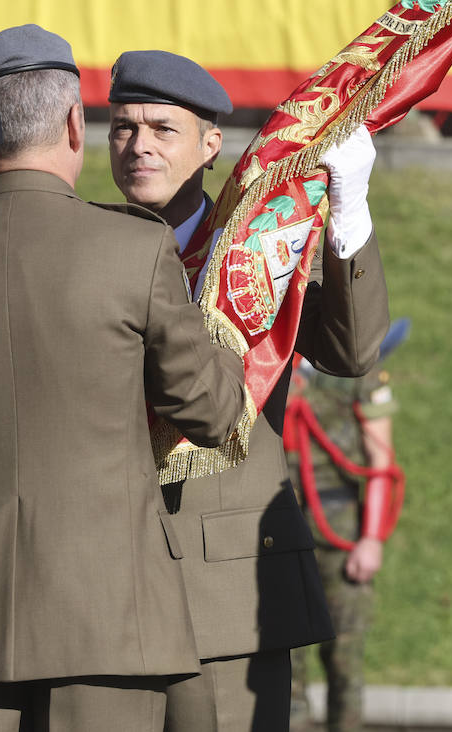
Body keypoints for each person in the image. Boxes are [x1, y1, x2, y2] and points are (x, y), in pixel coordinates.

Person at [0, 25, 249, 732]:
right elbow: (212, 412)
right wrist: (234, 330)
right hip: (117, 630)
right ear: (74, 125)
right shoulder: (136, 248)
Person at [106, 50, 391, 732]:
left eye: (161, 128)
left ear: (211, 146)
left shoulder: (267, 247)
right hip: (106, 579)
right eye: (122, 127)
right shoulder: (83, 246)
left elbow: (351, 355)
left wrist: (349, 213)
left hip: (227, 585)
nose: (139, 144)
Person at [286, 319, 410, 732]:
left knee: (344, 661)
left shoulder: (358, 370)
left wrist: (371, 539)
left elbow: (380, 464)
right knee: (285, 663)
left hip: (339, 530)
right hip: (281, 529)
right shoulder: (272, 361)